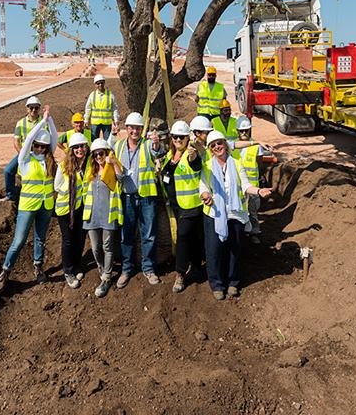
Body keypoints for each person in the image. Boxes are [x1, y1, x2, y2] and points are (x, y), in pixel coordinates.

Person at [199, 130, 273, 300]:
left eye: (220, 143)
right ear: (210, 149)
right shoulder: (207, 166)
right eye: (214, 145)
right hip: (214, 214)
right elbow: (203, 187)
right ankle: (217, 284)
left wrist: (259, 191)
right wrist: (206, 196)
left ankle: (233, 282)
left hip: (236, 214)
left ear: (226, 145)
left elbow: (246, 185)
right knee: (214, 251)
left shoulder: (237, 164)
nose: (217, 147)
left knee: (235, 249)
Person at [0, 110, 58, 293]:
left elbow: (54, 137)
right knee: (19, 240)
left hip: (46, 206)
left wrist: (51, 120)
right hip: (28, 207)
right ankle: (5, 271)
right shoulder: (24, 159)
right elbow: (30, 137)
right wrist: (42, 122)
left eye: (43, 147)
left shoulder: (49, 160)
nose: (39, 149)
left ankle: (38, 266)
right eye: (37, 145)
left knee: (40, 238)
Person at [114, 112, 166, 288]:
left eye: (138, 128)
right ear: (126, 129)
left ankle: (149, 268)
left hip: (146, 197)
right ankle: (126, 269)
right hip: (126, 197)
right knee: (126, 234)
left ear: (142, 130)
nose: (135, 131)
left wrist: (157, 143)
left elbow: (157, 151)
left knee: (149, 234)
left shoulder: (147, 145)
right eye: (131, 128)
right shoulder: (119, 146)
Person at [161, 120, 204, 293]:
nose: (178, 139)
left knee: (183, 237)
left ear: (187, 138)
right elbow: (168, 176)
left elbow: (196, 165)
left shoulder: (190, 155)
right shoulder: (171, 156)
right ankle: (196, 264)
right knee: (192, 237)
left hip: (190, 205)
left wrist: (193, 156)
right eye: (175, 137)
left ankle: (180, 273)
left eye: (181, 137)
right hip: (176, 205)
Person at [82, 137, 124, 298]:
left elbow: (121, 179)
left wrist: (112, 163)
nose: (98, 157)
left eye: (101, 153)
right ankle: (101, 267)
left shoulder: (113, 167)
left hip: (108, 214)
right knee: (95, 247)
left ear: (107, 153)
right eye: (95, 155)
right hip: (92, 215)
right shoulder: (91, 170)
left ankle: (107, 277)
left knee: (108, 247)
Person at [54, 131, 90, 288]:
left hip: (80, 207)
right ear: (71, 150)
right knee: (68, 240)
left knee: (80, 237)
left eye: (82, 146)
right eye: (76, 148)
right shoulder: (64, 165)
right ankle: (68, 270)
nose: (79, 150)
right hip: (66, 210)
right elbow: (56, 185)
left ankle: (76, 265)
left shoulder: (87, 164)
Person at [0, 96, 43, 204]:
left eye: (36, 108)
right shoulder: (20, 123)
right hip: (24, 154)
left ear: (39, 108)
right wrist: (22, 154)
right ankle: (10, 195)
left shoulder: (43, 122)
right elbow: (16, 141)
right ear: (27, 108)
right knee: (8, 171)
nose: (33, 110)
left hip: (40, 153)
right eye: (31, 107)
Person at [234, 116, 266, 244]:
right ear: (237, 131)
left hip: (252, 185)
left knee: (252, 211)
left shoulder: (256, 146)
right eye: (241, 131)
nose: (244, 133)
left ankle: (254, 233)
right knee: (239, 211)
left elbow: (260, 164)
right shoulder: (233, 146)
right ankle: (241, 233)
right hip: (238, 186)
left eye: (246, 130)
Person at [84, 74, 119, 140]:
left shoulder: (110, 95)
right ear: (95, 84)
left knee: (107, 142)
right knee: (94, 141)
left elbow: (115, 109)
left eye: (101, 83)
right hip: (95, 123)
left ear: (104, 83)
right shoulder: (92, 95)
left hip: (106, 123)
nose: (100, 85)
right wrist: (86, 120)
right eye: (98, 83)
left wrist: (116, 120)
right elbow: (88, 108)